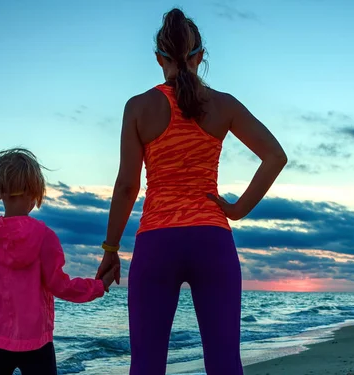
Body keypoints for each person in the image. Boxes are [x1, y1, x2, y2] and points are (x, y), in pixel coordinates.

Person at [96, 8, 287, 375]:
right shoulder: (224, 104)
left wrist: (110, 249)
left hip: (156, 242)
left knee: (147, 366)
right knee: (225, 364)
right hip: (211, 241)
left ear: (158, 59)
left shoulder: (138, 107)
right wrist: (236, 210)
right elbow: (275, 156)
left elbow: (126, 186)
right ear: (200, 57)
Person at [0, 148, 118, 375]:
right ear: (34, 193)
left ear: (0, 192)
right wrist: (100, 286)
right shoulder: (44, 237)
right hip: (36, 342)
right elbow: (60, 285)